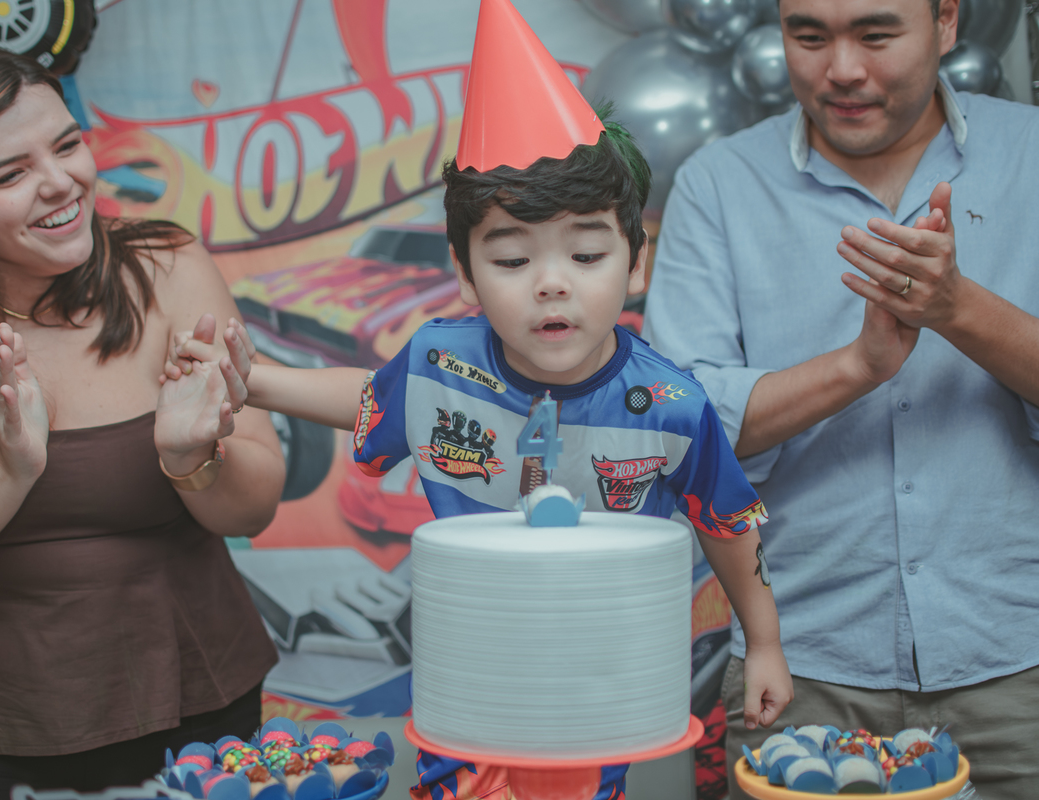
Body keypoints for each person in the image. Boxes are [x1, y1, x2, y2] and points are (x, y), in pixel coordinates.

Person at [168, 1, 792, 796]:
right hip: (468, 684)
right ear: (465, 277)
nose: (552, 281)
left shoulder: (672, 405)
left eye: (588, 251)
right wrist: (252, 380)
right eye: (511, 259)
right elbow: (369, 399)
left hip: (599, 694)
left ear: (637, 264)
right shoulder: (438, 361)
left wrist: (763, 642)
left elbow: (728, 522)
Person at [0, 48, 285, 796]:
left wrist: (190, 459)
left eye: (68, 144)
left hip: (186, 701)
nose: (60, 183)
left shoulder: (168, 268)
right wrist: (8, 469)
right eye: (7, 175)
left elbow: (257, 505)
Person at [642, 0, 1039, 797]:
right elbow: (678, 427)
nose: (843, 69)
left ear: (948, 23)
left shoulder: (1031, 156)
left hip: (1017, 667)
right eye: (809, 36)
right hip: (801, 670)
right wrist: (859, 366)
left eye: (877, 33)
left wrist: (960, 310)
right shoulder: (721, 185)